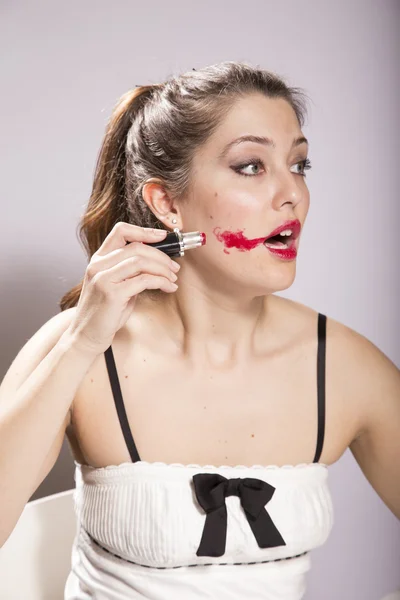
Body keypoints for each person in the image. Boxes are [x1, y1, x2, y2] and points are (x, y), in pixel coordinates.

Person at [0, 61, 399, 600]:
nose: (293, 195)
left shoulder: (346, 366)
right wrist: (82, 342)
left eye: (301, 164)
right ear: (166, 203)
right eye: (251, 167)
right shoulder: (79, 347)